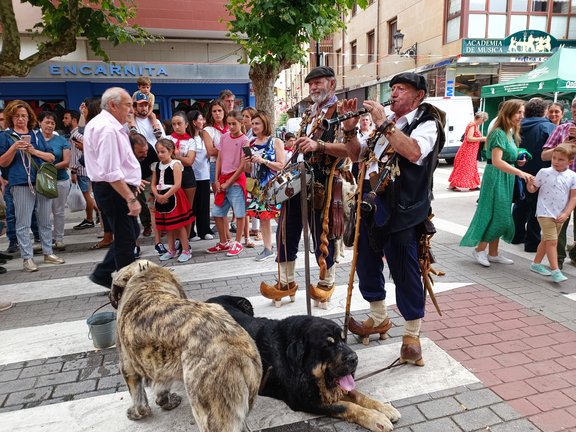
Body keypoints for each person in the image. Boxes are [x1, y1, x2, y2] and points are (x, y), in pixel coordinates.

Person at [342, 72, 445, 366]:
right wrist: (350, 130)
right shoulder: (384, 123)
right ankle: (378, 316)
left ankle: (412, 334)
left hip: (405, 209)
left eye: (401, 89)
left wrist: (383, 123)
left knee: (405, 267)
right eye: (393, 88)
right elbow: (357, 155)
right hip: (373, 204)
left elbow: (413, 151)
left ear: (419, 95)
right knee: (365, 260)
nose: (395, 93)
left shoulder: (427, 123)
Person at [260, 66, 351, 306]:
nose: (313, 88)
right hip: (297, 179)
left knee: (324, 233)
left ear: (332, 84)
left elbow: (352, 151)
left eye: (318, 83)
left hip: (324, 182)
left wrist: (318, 146)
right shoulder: (310, 111)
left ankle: (326, 283)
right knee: (285, 230)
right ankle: (286, 281)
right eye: (310, 84)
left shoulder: (343, 112)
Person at [461, 99, 533, 267]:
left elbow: (506, 157)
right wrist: (520, 172)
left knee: (500, 214)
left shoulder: (509, 131)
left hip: (505, 177)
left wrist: (517, 161)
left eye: (523, 112)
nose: (522, 116)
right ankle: (480, 250)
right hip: (496, 176)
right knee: (497, 215)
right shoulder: (499, 132)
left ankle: (493, 253)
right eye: (518, 112)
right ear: (508, 113)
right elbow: (497, 161)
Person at [83, 87, 142, 288]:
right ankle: (125, 286)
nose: (131, 110)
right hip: (114, 189)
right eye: (128, 105)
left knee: (131, 231)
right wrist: (130, 198)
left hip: (115, 188)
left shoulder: (110, 125)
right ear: (113, 105)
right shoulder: (106, 129)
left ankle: (103, 272)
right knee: (126, 239)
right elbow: (111, 171)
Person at [0, 100, 65, 272]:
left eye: (24, 116)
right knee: (23, 221)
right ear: (11, 118)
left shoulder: (36, 135)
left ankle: (48, 252)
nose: (20, 119)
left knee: (45, 219)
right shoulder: (5, 136)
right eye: (17, 116)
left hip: (41, 181)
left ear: (29, 117)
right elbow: (2, 162)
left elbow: (51, 158)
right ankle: (27, 258)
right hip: (20, 182)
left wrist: (33, 151)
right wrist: (14, 147)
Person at [527, 143, 576, 283]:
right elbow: (532, 190)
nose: (555, 161)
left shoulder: (573, 176)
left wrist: (566, 213)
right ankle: (555, 270)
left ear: (570, 161)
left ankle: (535, 264)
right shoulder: (544, 172)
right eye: (554, 158)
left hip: (560, 215)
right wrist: (529, 184)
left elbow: (574, 197)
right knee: (553, 241)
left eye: (560, 159)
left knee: (546, 240)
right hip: (544, 213)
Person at [512, 98, 556, 252]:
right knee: (537, 208)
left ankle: (516, 235)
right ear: (544, 111)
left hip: (519, 169)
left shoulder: (517, 125)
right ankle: (532, 243)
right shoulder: (548, 127)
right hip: (541, 172)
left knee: (521, 204)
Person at [206, 111, 248, 257]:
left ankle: (237, 242)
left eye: (233, 123)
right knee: (217, 212)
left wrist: (229, 182)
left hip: (235, 181)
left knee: (240, 212)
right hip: (222, 180)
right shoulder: (223, 138)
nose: (230, 126)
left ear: (241, 122)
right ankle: (223, 242)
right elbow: (219, 159)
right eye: (228, 123)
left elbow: (243, 165)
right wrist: (216, 179)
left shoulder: (245, 140)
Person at [541, 96, 576, 269]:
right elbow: (544, 155)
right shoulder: (562, 128)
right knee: (559, 222)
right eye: (575, 106)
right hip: (562, 184)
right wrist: (563, 145)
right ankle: (558, 260)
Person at [245, 111, 285, 261]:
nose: (254, 126)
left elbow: (281, 166)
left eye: (257, 123)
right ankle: (268, 249)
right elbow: (248, 170)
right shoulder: (250, 143)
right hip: (257, 186)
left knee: (279, 217)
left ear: (265, 124)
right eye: (253, 123)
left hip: (274, 186)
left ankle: (286, 245)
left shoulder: (275, 142)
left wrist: (264, 161)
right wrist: (247, 162)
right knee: (262, 218)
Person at [151, 138, 193, 263]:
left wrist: (165, 196)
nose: (160, 154)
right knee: (168, 226)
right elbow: (153, 184)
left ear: (171, 151)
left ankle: (186, 250)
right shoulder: (157, 166)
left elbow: (177, 184)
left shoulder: (175, 164)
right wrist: (157, 195)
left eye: (163, 151)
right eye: (158, 152)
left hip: (173, 196)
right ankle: (171, 250)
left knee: (179, 225)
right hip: (160, 196)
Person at [38, 111, 70, 251]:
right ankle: (45, 240)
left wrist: (49, 168)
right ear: (40, 123)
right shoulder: (35, 139)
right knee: (43, 212)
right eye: (47, 122)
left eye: (52, 123)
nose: (50, 125)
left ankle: (59, 239)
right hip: (41, 182)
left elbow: (67, 162)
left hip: (61, 180)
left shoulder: (61, 140)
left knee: (59, 211)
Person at [65, 107, 99, 232]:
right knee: (89, 195)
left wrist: (73, 170)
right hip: (85, 168)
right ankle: (96, 216)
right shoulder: (79, 133)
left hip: (82, 169)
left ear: (74, 120)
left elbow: (76, 155)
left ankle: (90, 219)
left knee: (87, 195)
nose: (64, 121)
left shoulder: (76, 134)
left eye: (66, 118)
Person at [129, 133, 162, 254]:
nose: (145, 154)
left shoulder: (149, 150)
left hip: (148, 177)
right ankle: (134, 245)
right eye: (140, 153)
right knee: (132, 210)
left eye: (146, 151)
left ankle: (158, 242)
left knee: (152, 207)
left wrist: (153, 186)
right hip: (129, 180)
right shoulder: (123, 152)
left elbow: (155, 168)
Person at [167, 111, 196, 240]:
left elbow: (190, 161)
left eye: (179, 123)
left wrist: (174, 156)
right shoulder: (168, 139)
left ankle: (187, 239)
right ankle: (176, 240)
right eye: (174, 124)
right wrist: (179, 157)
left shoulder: (191, 141)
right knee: (173, 209)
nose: (176, 127)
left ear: (186, 124)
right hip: (170, 175)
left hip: (187, 175)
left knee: (187, 210)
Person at [186, 110, 213, 242]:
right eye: (200, 119)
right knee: (191, 206)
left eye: (203, 119)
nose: (202, 122)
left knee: (204, 204)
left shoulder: (204, 136)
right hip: (190, 176)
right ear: (193, 122)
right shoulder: (187, 138)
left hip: (204, 175)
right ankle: (191, 232)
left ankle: (205, 230)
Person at [448, 111, 488, 191]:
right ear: (480, 118)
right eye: (483, 120)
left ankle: (473, 184)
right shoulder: (472, 125)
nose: (483, 122)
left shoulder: (474, 125)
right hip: (468, 150)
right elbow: (469, 138)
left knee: (470, 167)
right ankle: (453, 184)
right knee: (465, 167)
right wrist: (482, 138)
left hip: (471, 150)